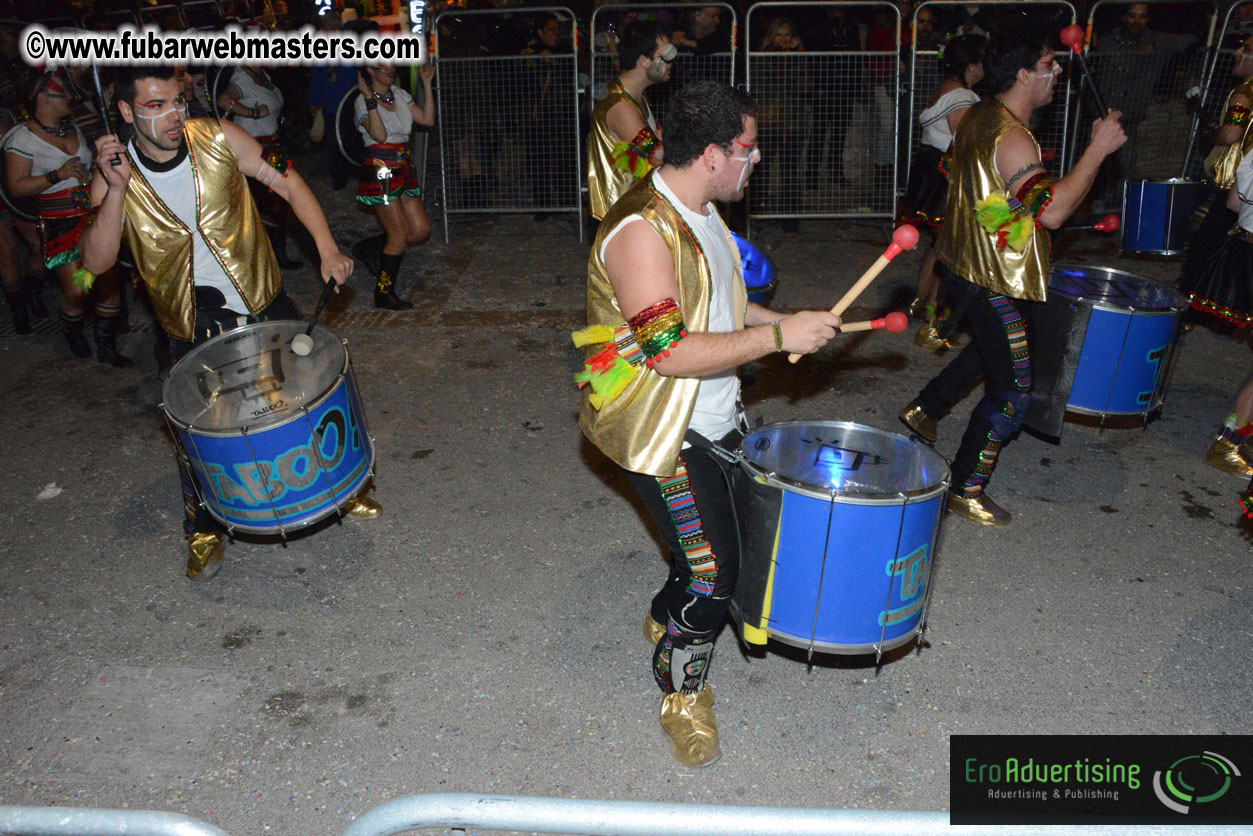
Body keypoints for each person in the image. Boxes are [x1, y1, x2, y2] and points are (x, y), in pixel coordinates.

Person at [574, 81, 840, 767]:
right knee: (715, 575)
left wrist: (783, 322)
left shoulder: (703, 212)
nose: (756, 162)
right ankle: (681, 695)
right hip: (661, 431)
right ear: (715, 153)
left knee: (715, 552)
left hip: (714, 416)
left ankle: (667, 611)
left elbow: (719, 306)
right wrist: (777, 333)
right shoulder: (640, 232)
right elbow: (670, 352)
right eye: (748, 151)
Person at [78, 65, 375, 581]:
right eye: (154, 106)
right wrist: (116, 190)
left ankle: (335, 490)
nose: (172, 115)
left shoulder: (221, 136)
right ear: (125, 112)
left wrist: (327, 249)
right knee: (201, 434)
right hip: (190, 325)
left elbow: (289, 179)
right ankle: (204, 527)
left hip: (263, 300)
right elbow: (97, 262)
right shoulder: (111, 174)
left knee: (299, 403)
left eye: (176, 101)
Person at [898, 26, 1126, 526]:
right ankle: (965, 485)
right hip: (992, 281)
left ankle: (925, 409)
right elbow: (1054, 213)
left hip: (965, 264)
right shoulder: (1013, 137)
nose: (1058, 71)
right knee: (1013, 389)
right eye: (1049, 63)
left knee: (990, 349)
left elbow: (979, 192)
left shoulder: (980, 113)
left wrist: (1007, 231)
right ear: (1024, 74)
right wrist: (1098, 148)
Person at [4, 69, 130, 365]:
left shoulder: (71, 128)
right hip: (60, 222)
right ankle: (70, 327)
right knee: (78, 289)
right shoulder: (22, 138)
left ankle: (107, 345)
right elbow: (16, 186)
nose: (71, 97)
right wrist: (56, 175)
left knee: (106, 279)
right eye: (63, 93)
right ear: (43, 98)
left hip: (92, 214)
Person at [902, 33, 985, 350]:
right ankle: (934, 325)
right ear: (971, 65)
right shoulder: (961, 98)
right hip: (946, 178)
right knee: (950, 254)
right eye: (981, 63)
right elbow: (963, 146)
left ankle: (919, 304)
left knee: (938, 249)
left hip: (931, 174)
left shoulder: (945, 89)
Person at [350, 62, 436, 310]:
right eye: (382, 65)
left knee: (419, 230)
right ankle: (383, 293)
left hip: (403, 167)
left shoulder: (400, 94)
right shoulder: (360, 102)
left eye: (391, 65)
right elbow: (378, 135)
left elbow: (428, 120)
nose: (389, 69)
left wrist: (427, 84)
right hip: (380, 170)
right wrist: (369, 99)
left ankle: (368, 247)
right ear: (369, 70)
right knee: (398, 235)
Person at [1179, 35, 1253, 324]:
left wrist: (1211, 134)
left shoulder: (1244, 94)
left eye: (1245, 49)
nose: (1236, 53)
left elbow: (1232, 133)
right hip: (1247, 188)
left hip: (1233, 183)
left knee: (1205, 246)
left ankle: (1193, 310)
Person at [216, 63, 303, 269]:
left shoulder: (263, 75)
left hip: (272, 146)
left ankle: (275, 254)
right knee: (269, 199)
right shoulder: (242, 78)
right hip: (255, 149)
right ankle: (266, 257)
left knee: (280, 196)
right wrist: (251, 113)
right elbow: (223, 100)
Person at [586, 20, 674, 221]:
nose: (671, 62)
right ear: (644, 61)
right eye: (665, 56)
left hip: (633, 208)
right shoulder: (622, 108)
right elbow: (656, 154)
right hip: (622, 215)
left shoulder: (635, 96)